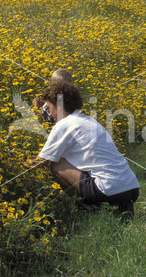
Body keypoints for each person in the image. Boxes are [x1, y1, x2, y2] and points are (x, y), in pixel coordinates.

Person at [31, 81, 140, 216]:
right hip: (132, 187)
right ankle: (120, 206)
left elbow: (42, 162)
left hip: (109, 190)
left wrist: (16, 161)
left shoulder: (64, 124)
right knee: (65, 159)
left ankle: (87, 207)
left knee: (55, 164)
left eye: (49, 107)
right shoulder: (88, 120)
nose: (49, 113)